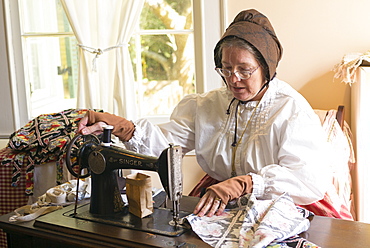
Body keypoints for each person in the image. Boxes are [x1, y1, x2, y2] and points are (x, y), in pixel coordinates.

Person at [78, 9, 350, 219]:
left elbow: (308, 179)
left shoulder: (290, 109)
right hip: (219, 196)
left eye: (245, 70)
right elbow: (168, 149)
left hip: (283, 201)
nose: (234, 79)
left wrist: (246, 183)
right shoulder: (207, 105)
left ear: (266, 68)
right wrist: (126, 128)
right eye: (225, 68)